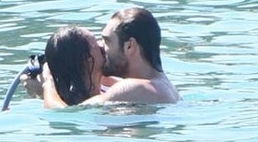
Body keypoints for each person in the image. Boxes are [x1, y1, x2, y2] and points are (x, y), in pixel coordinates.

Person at [23, 7, 180, 107]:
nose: (101, 47)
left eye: (106, 41)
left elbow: (66, 115)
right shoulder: (160, 86)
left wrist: (48, 83)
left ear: (129, 46)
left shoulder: (134, 89)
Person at [38, 25, 104, 108]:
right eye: (96, 43)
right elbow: (59, 111)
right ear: (87, 59)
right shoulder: (82, 107)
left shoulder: (107, 88)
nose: (102, 45)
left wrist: (48, 81)